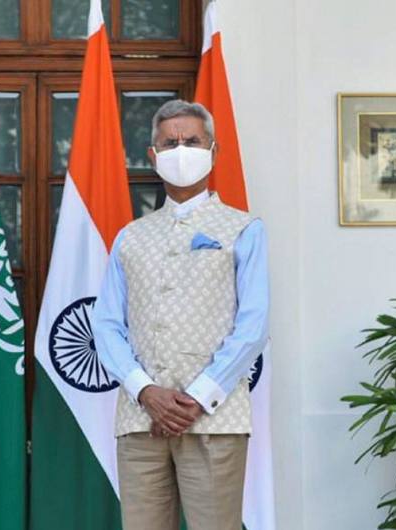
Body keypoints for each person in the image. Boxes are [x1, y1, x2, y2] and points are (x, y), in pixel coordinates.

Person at [92, 100, 269, 530]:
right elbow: (107, 323)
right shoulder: (130, 236)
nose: (181, 150)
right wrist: (145, 391)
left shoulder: (244, 229)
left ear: (213, 151)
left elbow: (254, 325)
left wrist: (198, 397)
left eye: (192, 141)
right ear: (153, 156)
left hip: (214, 418)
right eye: (170, 143)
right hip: (140, 418)